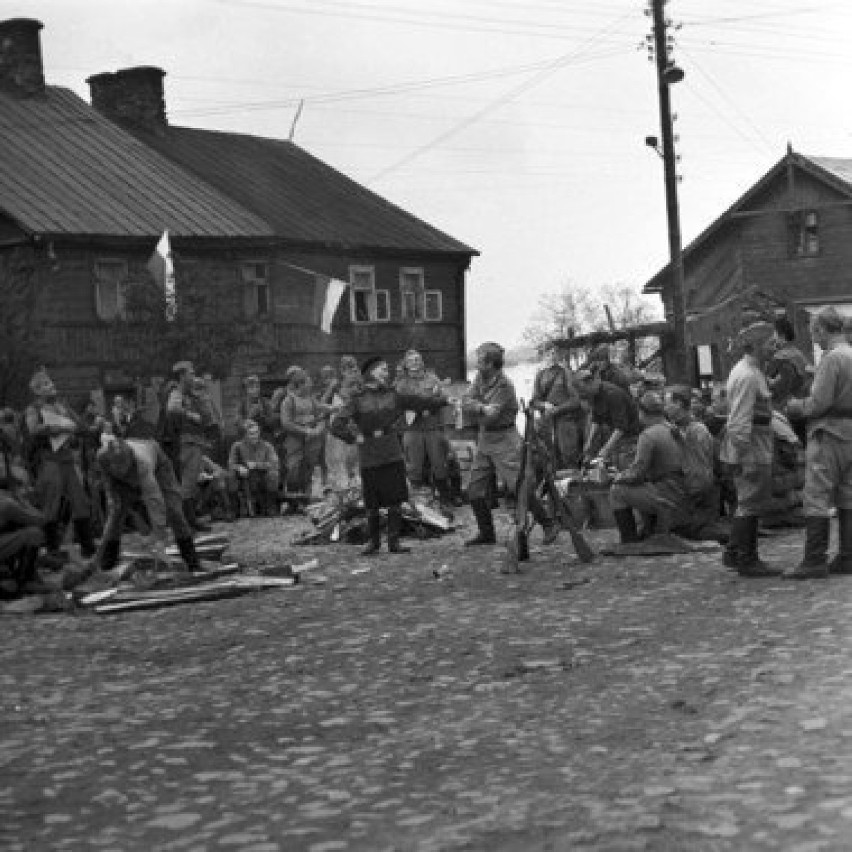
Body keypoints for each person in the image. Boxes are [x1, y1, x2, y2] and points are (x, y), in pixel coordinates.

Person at [330, 355, 449, 555]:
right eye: (383, 369)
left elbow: (419, 402)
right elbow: (336, 425)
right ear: (372, 373)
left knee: (395, 498)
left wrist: (444, 400)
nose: (387, 373)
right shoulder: (357, 399)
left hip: (392, 451)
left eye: (387, 369)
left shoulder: (394, 395)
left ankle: (394, 543)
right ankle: (374, 543)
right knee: (372, 501)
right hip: (369, 453)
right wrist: (354, 438)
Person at [462, 341, 553, 547]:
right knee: (474, 489)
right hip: (486, 439)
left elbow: (491, 416)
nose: (476, 364)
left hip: (505, 439)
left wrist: (478, 409)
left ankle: (548, 523)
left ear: (491, 364)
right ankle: (486, 533)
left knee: (519, 487)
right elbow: (465, 401)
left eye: (480, 360)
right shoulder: (480, 378)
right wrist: (480, 407)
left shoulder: (504, 385)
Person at [784, 307, 852, 579]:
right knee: (848, 494)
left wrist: (795, 407)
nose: (814, 339)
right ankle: (848, 556)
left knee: (817, 495)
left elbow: (819, 402)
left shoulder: (832, 358)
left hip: (828, 434)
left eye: (814, 332)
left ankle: (814, 559)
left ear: (823, 329)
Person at [719, 323, 781, 576]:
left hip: (755, 442)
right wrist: (745, 456)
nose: (775, 348)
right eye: (771, 344)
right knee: (750, 502)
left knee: (749, 500)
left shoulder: (751, 371)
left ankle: (735, 552)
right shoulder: (747, 375)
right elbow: (739, 420)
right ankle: (747, 559)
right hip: (752, 445)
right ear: (756, 345)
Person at [96, 437, 202, 573]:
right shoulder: (102, 458)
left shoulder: (142, 463)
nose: (120, 470)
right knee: (116, 513)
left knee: (173, 511)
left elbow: (154, 501)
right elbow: (110, 492)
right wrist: (114, 506)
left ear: (129, 460)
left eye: (122, 466)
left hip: (158, 466)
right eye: (116, 467)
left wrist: (159, 540)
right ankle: (107, 563)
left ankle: (191, 560)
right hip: (121, 478)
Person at [24, 368, 97, 559]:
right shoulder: (33, 409)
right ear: (38, 390)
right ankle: (52, 550)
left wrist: (83, 427)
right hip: (49, 460)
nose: (52, 386)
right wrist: (56, 427)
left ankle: (88, 547)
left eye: (51, 382)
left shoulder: (62, 406)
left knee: (80, 501)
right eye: (46, 384)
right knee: (51, 505)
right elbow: (33, 429)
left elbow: (80, 426)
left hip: (67, 459)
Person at [609, 392, 689, 543]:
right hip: (682, 490)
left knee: (617, 491)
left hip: (668, 495)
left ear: (642, 412)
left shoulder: (648, 436)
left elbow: (636, 474)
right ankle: (649, 528)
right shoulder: (673, 429)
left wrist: (617, 477)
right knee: (640, 486)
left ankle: (629, 540)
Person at [395, 349, 453, 506]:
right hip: (413, 430)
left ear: (422, 362)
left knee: (439, 463)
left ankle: (445, 499)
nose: (415, 362)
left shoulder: (433, 379)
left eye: (418, 359)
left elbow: (445, 399)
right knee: (414, 466)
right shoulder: (401, 384)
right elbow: (398, 407)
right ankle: (417, 501)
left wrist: (444, 427)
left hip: (433, 428)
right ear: (406, 365)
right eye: (411, 360)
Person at [665, 385, 719, 538]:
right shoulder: (676, 428)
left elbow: (700, 473)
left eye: (667, 403)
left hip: (698, 494)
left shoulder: (697, 430)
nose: (665, 408)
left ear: (679, 404)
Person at [166, 361, 213, 532]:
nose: (193, 376)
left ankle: (191, 519)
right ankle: (185, 522)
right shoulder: (176, 393)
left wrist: (202, 397)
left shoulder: (192, 395)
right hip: (186, 442)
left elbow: (207, 418)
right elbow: (172, 409)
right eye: (190, 374)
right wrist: (190, 415)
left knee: (192, 482)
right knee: (187, 483)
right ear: (182, 376)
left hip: (196, 442)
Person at [280, 367, 327, 509]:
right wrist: (306, 431)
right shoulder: (288, 401)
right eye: (308, 382)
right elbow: (286, 423)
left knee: (309, 469)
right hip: (295, 441)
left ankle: (306, 500)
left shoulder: (311, 400)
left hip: (312, 441)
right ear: (300, 384)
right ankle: (293, 502)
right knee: (294, 470)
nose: (311, 385)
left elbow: (320, 413)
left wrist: (318, 428)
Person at [575, 369, 641, 471]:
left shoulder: (612, 394)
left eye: (584, 390)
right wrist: (589, 441)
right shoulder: (594, 394)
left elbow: (621, 427)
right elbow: (596, 419)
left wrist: (606, 448)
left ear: (590, 382)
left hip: (631, 436)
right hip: (617, 434)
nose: (584, 394)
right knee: (614, 465)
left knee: (626, 468)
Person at [531, 350, 584, 470]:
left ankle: (575, 482)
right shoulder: (540, 375)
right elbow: (534, 401)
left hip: (566, 421)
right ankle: (557, 484)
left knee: (569, 455)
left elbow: (576, 401)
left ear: (558, 355)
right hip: (547, 423)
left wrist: (558, 409)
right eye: (548, 353)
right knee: (551, 457)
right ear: (543, 356)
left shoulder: (566, 373)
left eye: (554, 353)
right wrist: (544, 405)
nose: (552, 356)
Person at [227, 419, 280, 517]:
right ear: (245, 435)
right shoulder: (237, 446)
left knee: (274, 474)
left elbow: (275, 464)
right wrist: (239, 468)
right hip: (244, 476)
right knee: (231, 475)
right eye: (251, 434)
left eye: (256, 433)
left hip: (261, 477)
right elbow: (230, 464)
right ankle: (233, 509)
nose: (255, 436)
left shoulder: (267, 446)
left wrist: (257, 465)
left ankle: (270, 507)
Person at [239, 375, 275, 440]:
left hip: (264, 436)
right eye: (251, 387)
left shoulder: (265, 402)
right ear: (246, 390)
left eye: (257, 387)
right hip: (248, 436)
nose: (255, 390)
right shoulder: (242, 404)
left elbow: (272, 422)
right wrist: (250, 416)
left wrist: (262, 416)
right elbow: (238, 422)